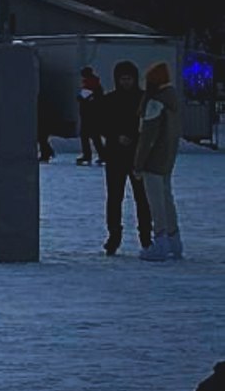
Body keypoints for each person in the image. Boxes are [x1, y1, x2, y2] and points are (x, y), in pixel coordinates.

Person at [98, 60, 152, 256]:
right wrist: (115, 136)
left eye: (129, 78)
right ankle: (114, 236)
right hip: (115, 156)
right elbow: (101, 124)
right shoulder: (109, 100)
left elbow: (149, 126)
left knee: (142, 198)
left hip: (138, 156)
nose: (126, 82)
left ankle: (146, 237)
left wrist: (134, 138)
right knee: (114, 198)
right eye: (123, 78)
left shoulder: (143, 99)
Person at [137, 60, 182, 261]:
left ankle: (161, 241)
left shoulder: (155, 102)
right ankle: (173, 239)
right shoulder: (173, 101)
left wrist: (138, 163)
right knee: (166, 198)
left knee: (156, 202)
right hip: (168, 157)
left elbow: (147, 137)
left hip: (153, 161)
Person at [76, 66, 104, 165]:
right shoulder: (96, 83)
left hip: (88, 114)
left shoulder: (89, 84)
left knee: (85, 135)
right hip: (94, 114)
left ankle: (87, 155)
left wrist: (79, 98)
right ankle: (102, 155)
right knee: (95, 136)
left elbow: (81, 98)